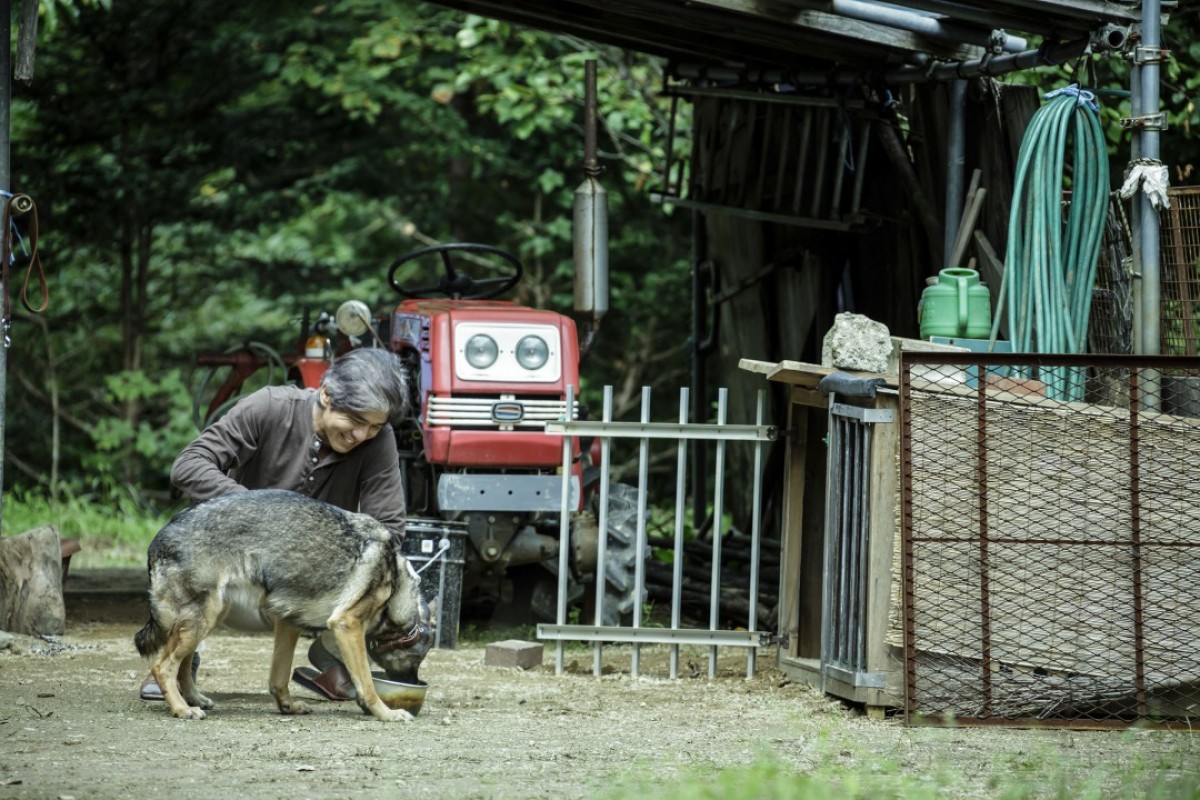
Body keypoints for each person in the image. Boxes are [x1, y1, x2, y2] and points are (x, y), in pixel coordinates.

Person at [139, 346, 411, 701]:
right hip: (236, 579)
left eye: (374, 427)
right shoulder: (269, 406)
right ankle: (182, 657)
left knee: (385, 594)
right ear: (327, 395)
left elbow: (390, 529)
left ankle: (330, 654)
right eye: (356, 421)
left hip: (310, 593)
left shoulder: (378, 441)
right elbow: (188, 465)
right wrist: (256, 515)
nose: (362, 435)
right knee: (197, 599)